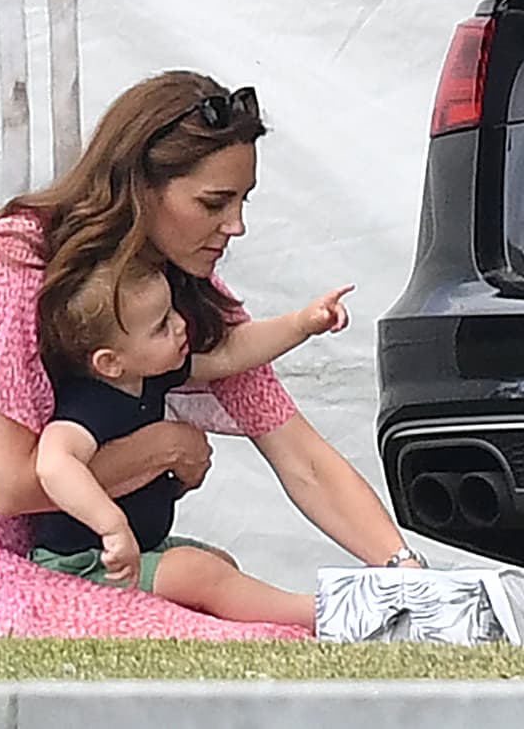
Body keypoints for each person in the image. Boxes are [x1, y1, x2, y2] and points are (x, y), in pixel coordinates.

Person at [0, 71, 426, 639]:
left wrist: (405, 573)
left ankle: (374, 615)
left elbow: (298, 454)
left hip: (74, 569)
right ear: (139, 187)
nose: (236, 225)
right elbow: (9, 487)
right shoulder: (11, 265)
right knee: (258, 636)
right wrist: (159, 449)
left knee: (229, 596)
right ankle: (346, 619)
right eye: (214, 203)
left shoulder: (174, 295)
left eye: (242, 201)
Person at [31, 252, 354, 630]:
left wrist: (302, 323)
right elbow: (52, 463)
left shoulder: (149, 375)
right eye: (161, 327)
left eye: (171, 313)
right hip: (81, 565)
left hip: (139, 549)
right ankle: (325, 616)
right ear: (110, 362)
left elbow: (232, 354)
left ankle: (251, 628)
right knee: (199, 574)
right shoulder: (89, 403)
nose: (182, 325)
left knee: (220, 565)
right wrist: (111, 526)